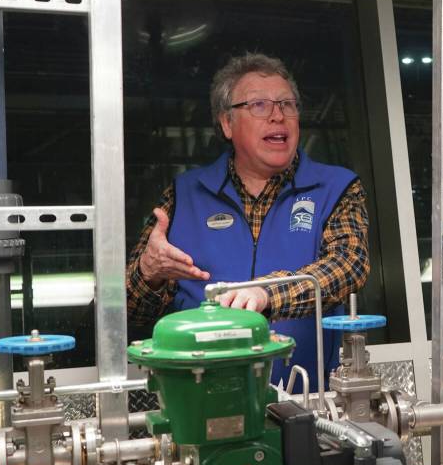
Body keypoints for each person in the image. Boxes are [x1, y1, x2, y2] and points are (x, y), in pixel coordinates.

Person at [126, 53, 370, 392]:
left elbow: (350, 265)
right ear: (227, 124)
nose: (277, 115)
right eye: (259, 105)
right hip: (199, 400)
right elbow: (126, 310)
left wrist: (267, 293)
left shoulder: (336, 188)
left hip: (310, 404)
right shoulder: (184, 195)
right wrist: (148, 274)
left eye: (287, 104)